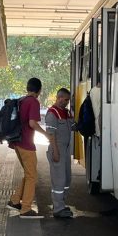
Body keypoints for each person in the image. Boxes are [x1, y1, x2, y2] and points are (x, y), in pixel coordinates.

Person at [7, 77, 50, 218]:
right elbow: (32, 123)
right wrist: (46, 134)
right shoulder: (33, 102)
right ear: (39, 90)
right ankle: (25, 208)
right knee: (32, 176)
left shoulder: (21, 100)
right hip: (26, 143)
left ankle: (15, 200)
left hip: (17, 142)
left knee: (28, 173)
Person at [45, 88, 75, 219]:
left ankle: (62, 203)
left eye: (68, 100)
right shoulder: (53, 113)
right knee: (59, 179)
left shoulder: (66, 112)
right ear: (59, 97)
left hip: (66, 150)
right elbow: (51, 135)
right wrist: (55, 152)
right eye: (66, 100)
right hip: (57, 149)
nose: (67, 102)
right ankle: (58, 208)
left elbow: (73, 126)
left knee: (67, 178)